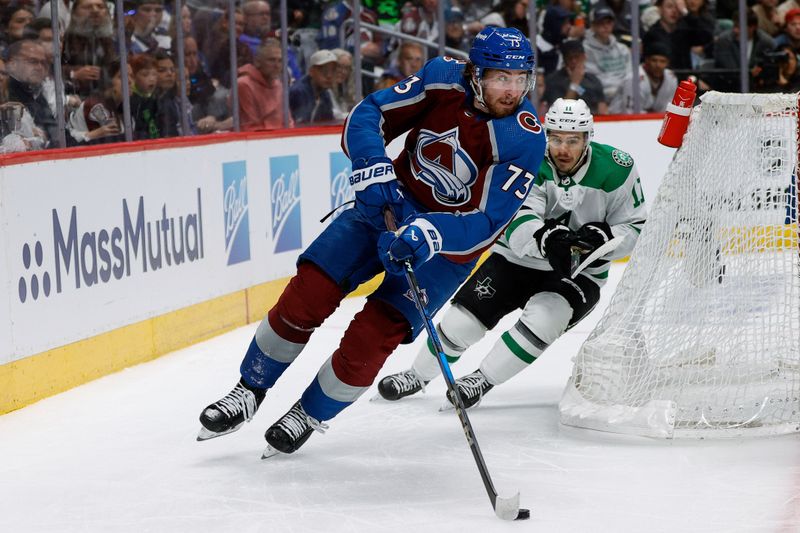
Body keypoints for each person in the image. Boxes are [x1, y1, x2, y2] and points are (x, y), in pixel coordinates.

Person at [196, 26, 546, 455]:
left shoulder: (525, 137)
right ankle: (248, 389)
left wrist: (431, 232)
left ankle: (309, 414)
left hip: (443, 251)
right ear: (476, 72)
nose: (511, 90)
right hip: (384, 209)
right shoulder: (441, 78)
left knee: (372, 338)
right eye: (500, 78)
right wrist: (373, 164)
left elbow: (490, 220)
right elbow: (370, 113)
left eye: (519, 79)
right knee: (307, 295)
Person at [377, 98, 646, 409]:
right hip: (517, 260)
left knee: (547, 318)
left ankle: (482, 379)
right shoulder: (528, 161)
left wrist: (605, 240)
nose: (563, 148)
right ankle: (418, 374)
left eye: (573, 140)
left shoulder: (616, 167)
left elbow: (635, 225)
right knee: (461, 322)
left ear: (588, 137)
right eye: (556, 138)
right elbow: (515, 216)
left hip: (579, 272)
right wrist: (546, 238)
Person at [236, 39, 293, 130]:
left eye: (280, 61)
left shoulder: (279, 85)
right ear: (257, 62)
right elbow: (250, 127)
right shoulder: (243, 84)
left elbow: (288, 122)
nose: (277, 65)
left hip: (281, 138)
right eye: (271, 60)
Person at [583, 6, 631, 114]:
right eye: (601, 23)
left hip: (624, 94)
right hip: (601, 97)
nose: (605, 27)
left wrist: (622, 88)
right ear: (593, 26)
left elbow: (630, 74)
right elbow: (593, 78)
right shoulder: (585, 50)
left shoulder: (622, 49)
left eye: (609, 22)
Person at [542, 40, 607, 115]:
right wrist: (575, 84)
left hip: (592, 121)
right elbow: (562, 112)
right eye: (570, 58)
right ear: (564, 60)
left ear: (584, 57)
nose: (574, 61)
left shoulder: (593, 80)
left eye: (577, 57)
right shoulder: (553, 81)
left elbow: (602, 109)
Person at [623, 41, 678, 113]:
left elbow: (669, 108)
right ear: (647, 60)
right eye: (654, 60)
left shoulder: (671, 78)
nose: (658, 65)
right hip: (619, 120)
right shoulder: (633, 78)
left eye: (662, 61)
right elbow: (630, 112)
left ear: (668, 63)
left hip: (655, 120)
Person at [289, 48, 338, 125]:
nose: (329, 76)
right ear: (311, 71)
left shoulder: (325, 93)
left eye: (333, 71)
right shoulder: (298, 92)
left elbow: (328, 122)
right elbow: (299, 124)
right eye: (324, 70)